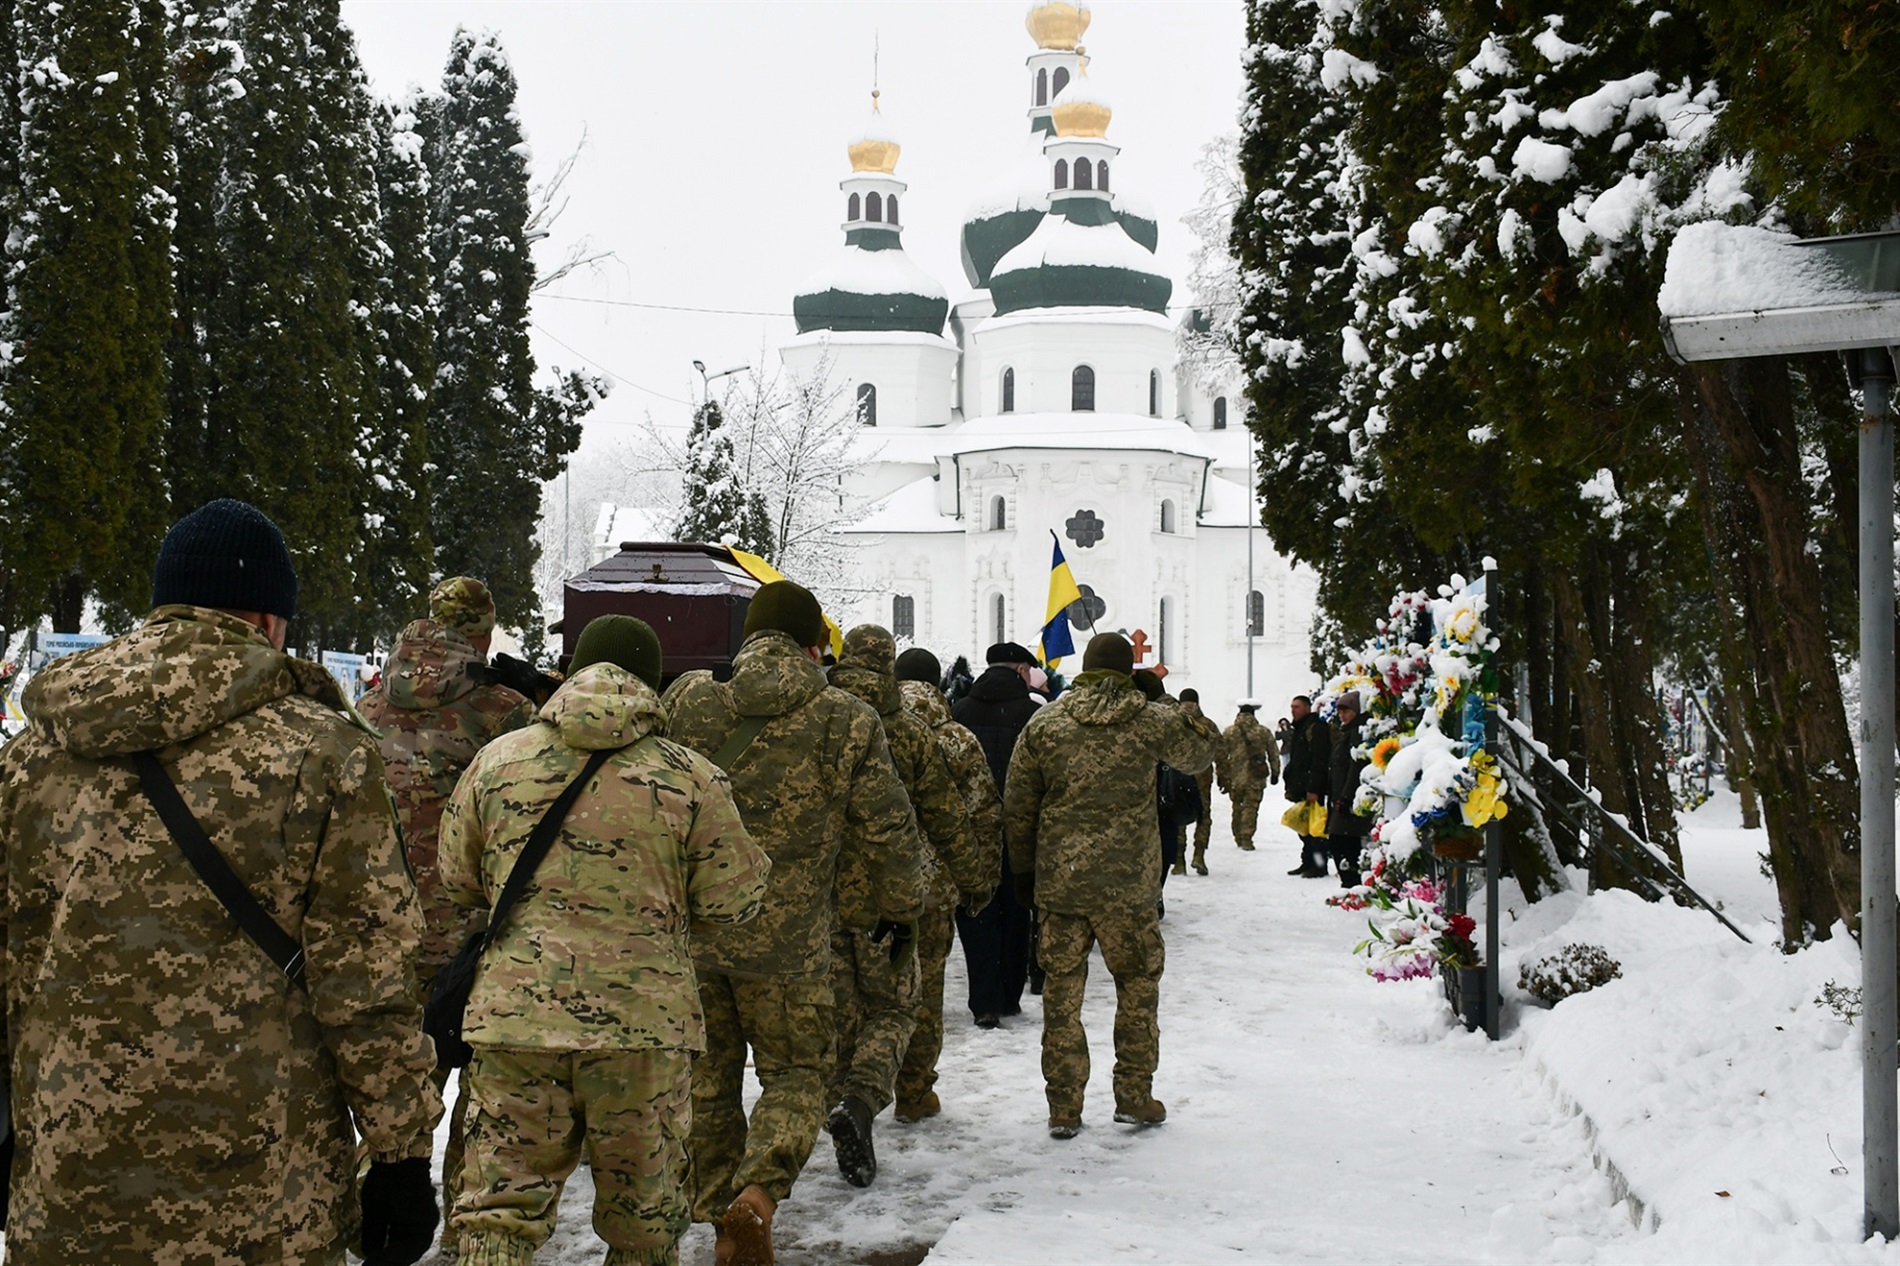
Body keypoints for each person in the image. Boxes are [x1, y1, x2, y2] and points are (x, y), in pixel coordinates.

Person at [0, 498, 443, 1265]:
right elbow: (366, 984)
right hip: (263, 1201)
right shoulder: (322, 753)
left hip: (67, 1186)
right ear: (271, 621)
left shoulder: (36, 751)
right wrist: (400, 1154)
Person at [439, 615, 771, 1266]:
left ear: (569, 674)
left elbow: (457, 878)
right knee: (645, 1227)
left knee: (497, 1219)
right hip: (643, 1031)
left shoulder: (497, 763)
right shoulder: (691, 777)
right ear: (654, 685)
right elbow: (737, 899)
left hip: (516, 1023)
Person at [663, 582, 925, 1266]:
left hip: (695, 937)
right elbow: (890, 831)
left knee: (709, 1079)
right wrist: (902, 911)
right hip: (791, 946)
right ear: (815, 646)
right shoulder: (843, 718)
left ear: (749, 636)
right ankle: (756, 1199)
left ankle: (718, 1207)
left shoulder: (690, 700)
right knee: (799, 1074)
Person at [357, 575, 536, 1229]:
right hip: (472, 932)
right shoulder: (502, 711)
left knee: (403, 1079)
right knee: (484, 1083)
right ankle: (470, 1222)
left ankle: (375, 1207)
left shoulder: (371, 708)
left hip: (386, 926)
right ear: (484, 631)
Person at [1003, 633, 1220, 1139]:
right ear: (1129, 671)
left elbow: (1018, 804)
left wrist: (1023, 871)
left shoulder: (1048, 721)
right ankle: (1134, 1096)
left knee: (1061, 996)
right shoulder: (1150, 719)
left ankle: (1063, 1107)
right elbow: (1203, 749)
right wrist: (1160, 697)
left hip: (1063, 883)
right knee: (1137, 989)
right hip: (1129, 887)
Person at [823, 625, 988, 1188]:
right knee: (900, 1002)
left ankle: (840, 1092)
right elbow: (947, 814)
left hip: (820, 894)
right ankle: (896, 1095)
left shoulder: (816, 717)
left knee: (840, 1004)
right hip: (892, 894)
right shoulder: (913, 732)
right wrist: (973, 878)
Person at [893, 647, 1002, 1123]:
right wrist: (982, 881)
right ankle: (914, 1091)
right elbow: (984, 813)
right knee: (926, 987)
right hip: (933, 888)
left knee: (869, 991)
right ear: (938, 684)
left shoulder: (867, 729)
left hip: (868, 884)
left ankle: (855, 1087)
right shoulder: (957, 738)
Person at [950, 641, 1042, 1027]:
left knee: (976, 910)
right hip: (1019, 827)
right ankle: (1008, 994)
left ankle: (984, 999)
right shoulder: (1032, 715)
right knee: (1017, 909)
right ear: (1021, 670)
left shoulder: (960, 711)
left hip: (970, 830)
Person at [1216, 700, 1279, 852]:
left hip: (1235, 778)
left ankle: (1238, 835)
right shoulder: (1263, 731)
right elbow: (1273, 753)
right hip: (1255, 778)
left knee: (1237, 807)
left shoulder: (1229, 731)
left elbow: (1221, 756)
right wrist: (1275, 772)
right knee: (1251, 807)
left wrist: (1222, 776)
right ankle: (1247, 838)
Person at [1281, 694, 1333, 877]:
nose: (1293, 710)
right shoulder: (1300, 729)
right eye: (1292, 706)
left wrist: (1314, 789)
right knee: (1304, 829)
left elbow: (1320, 761)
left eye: (1297, 707)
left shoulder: (1315, 728)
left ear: (1307, 708)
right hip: (1301, 786)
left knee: (1315, 830)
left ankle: (1319, 865)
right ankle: (1307, 862)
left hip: (1312, 788)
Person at [1327, 691, 1375, 887]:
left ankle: (1352, 882)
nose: (1341, 715)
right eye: (1339, 711)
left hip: (1350, 799)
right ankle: (1351, 882)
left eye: (1346, 710)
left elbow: (1355, 768)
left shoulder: (1356, 733)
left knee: (1342, 841)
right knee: (1345, 841)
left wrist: (1346, 797)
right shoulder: (1348, 731)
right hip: (1344, 796)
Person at [1177, 689, 1216, 875]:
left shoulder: (1174, 723)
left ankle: (1178, 861)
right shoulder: (1208, 725)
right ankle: (1199, 855)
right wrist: (1224, 777)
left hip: (1178, 776)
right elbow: (1220, 751)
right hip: (1202, 777)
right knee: (1203, 816)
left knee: (1178, 815)